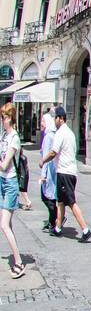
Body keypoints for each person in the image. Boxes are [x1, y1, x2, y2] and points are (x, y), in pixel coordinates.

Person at [40, 106, 91, 242]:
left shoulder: (60, 133)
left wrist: (43, 161)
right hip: (69, 172)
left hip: (65, 173)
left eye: (55, 118)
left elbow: (53, 152)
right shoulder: (70, 133)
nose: (54, 120)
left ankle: (85, 230)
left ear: (60, 118)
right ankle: (57, 228)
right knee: (61, 202)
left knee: (71, 202)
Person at [0, 104, 25, 279]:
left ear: (9, 118)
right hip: (2, 181)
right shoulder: (4, 135)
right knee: (6, 224)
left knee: (3, 225)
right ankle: (17, 258)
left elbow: (5, 164)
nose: (1, 121)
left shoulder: (14, 137)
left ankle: (19, 262)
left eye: (3, 117)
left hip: (10, 183)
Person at [37, 112, 57, 233]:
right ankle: (52, 220)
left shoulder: (49, 136)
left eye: (43, 121)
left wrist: (43, 174)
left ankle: (55, 219)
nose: (41, 124)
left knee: (46, 197)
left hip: (48, 170)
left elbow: (46, 155)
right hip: (50, 170)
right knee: (49, 196)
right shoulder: (50, 135)